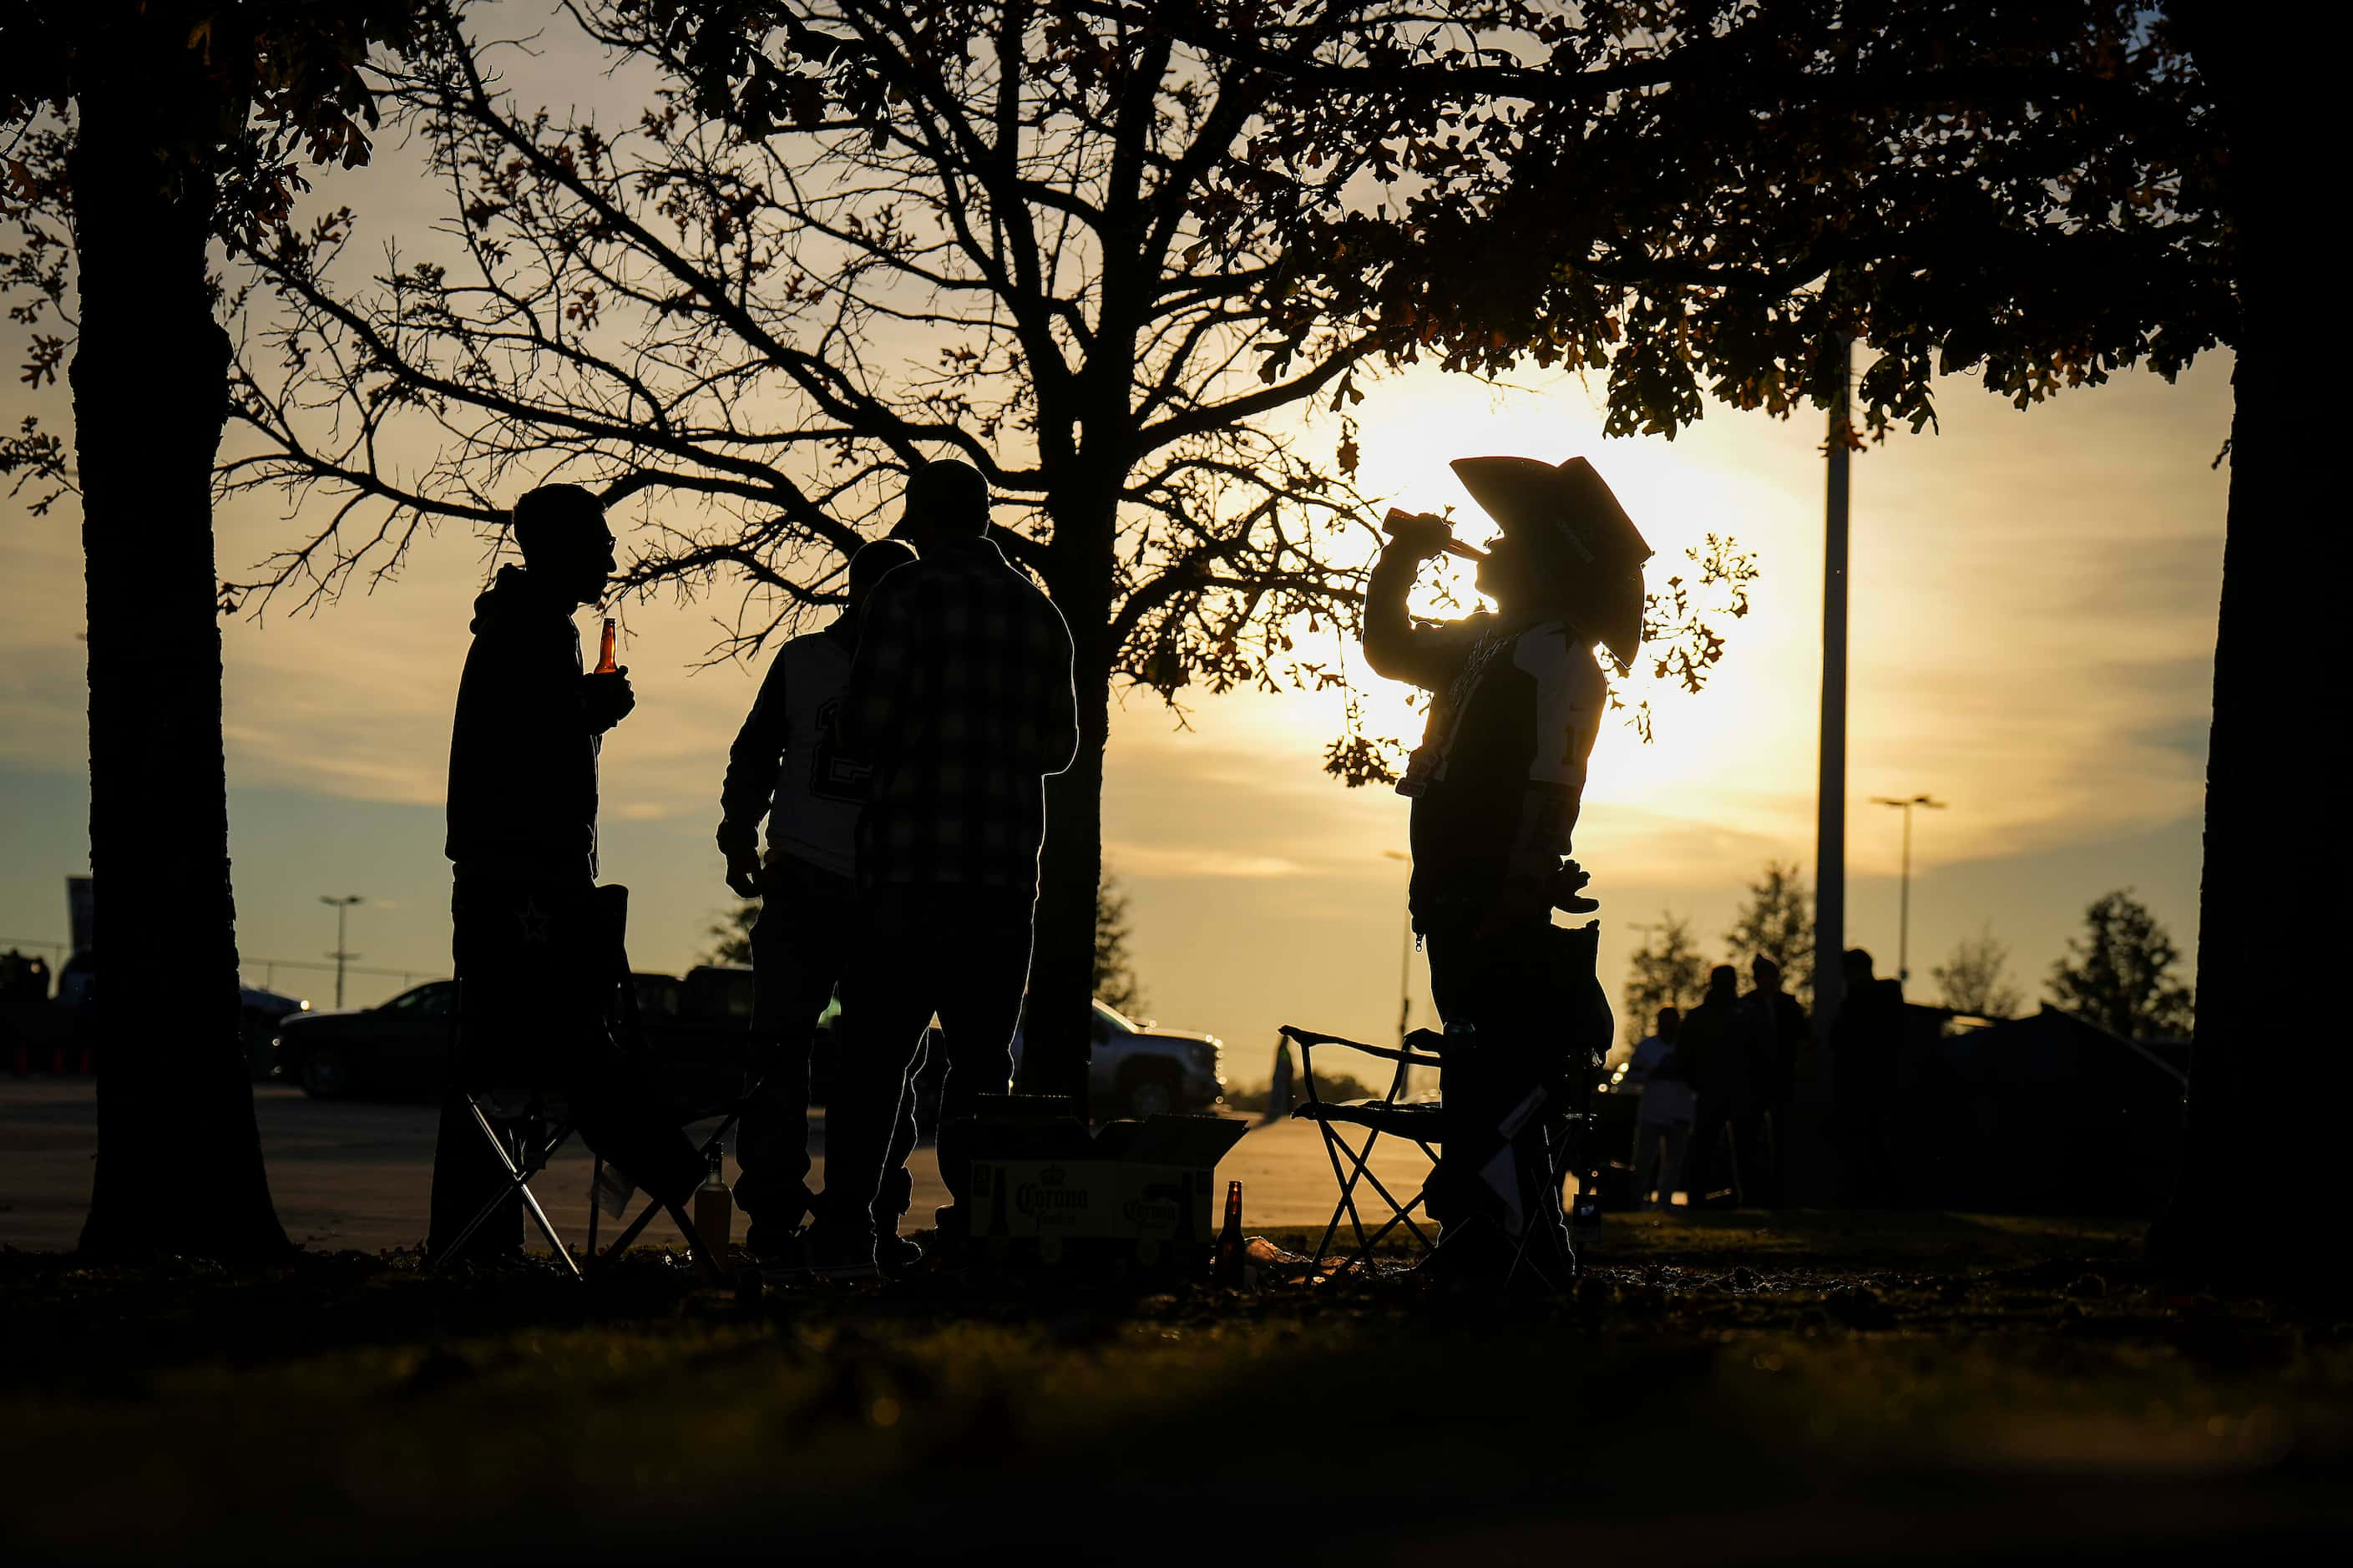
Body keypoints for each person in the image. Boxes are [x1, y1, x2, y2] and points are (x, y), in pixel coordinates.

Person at [1363, 455, 1650, 1282]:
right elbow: (1388, 650)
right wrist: (1402, 560)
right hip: (1449, 883)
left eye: (1505, 539)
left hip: (1496, 886)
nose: (1486, 545)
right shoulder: (1486, 643)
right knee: (1477, 1063)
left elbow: (1557, 779)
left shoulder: (1557, 652)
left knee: (1503, 1072)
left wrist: (1524, 881)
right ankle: (1502, 1241)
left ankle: (1508, 1240)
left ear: (1542, 558)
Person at [813, 459, 1080, 1272]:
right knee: (980, 1065)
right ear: (986, 517)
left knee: (875, 1057)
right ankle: (978, 1232)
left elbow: (861, 727)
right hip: (1000, 880)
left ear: (919, 517)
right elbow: (1062, 749)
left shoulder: (902, 596)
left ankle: (846, 1234)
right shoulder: (1041, 616)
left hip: (906, 871)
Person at [428, 483, 706, 1262]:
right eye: (600, 539)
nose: (614, 555)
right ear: (555, 548)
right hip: (525, 884)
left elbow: (532, 745)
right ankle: (682, 1175)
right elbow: (526, 753)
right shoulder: (534, 632)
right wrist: (586, 712)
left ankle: (477, 1243)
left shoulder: (538, 631)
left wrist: (583, 713)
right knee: (546, 1053)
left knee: (502, 1063)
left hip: (523, 875)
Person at [715, 538, 918, 1263]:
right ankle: (775, 1215)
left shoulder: (920, 668)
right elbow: (757, 749)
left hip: (887, 884)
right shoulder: (805, 662)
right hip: (805, 876)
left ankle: (862, 1216)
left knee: (881, 1061)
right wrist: (739, 831)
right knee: (781, 1052)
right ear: (860, 593)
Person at [1675, 965, 1750, 1206]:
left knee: (1721, 1147)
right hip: (1719, 1090)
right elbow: (1684, 1056)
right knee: (1714, 1146)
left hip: (1726, 1090)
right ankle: (1711, 1196)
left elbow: (1683, 1056)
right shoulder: (1741, 1015)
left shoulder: (1705, 1016)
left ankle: (1710, 1196)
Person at [1738, 953, 1809, 1206]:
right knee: (1751, 1140)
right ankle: (1752, 1195)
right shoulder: (1746, 1005)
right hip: (1755, 1083)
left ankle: (1780, 1193)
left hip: (1781, 1080)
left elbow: (1803, 1039)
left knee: (1782, 1140)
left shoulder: (1788, 1005)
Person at [1626, 1006, 1694, 1210]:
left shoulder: (1688, 1049)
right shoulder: (1647, 1047)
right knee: (1643, 1161)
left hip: (1680, 1113)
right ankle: (1637, 1202)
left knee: (1674, 1164)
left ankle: (1665, 1203)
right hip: (1652, 1114)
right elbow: (1631, 1075)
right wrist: (1653, 1073)